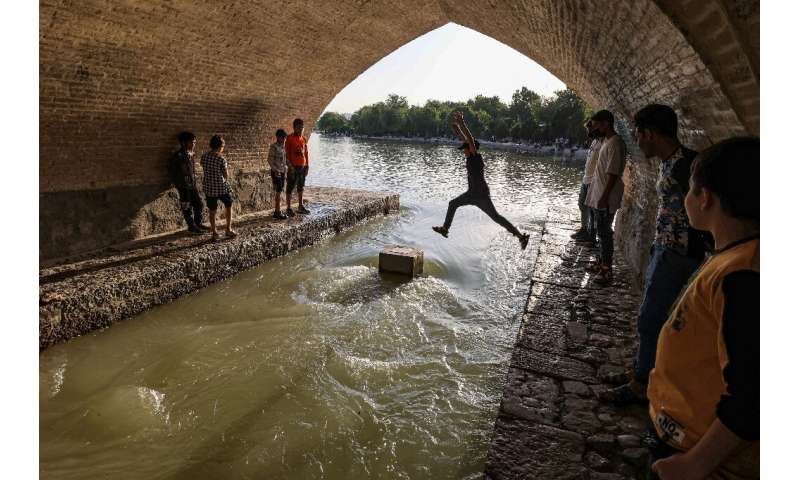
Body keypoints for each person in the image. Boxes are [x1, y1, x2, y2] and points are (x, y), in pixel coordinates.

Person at [646, 136, 759, 480]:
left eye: (690, 191)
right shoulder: (734, 255)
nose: (686, 199)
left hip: (702, 454)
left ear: (705, 197)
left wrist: (696, 463)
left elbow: (754, 392)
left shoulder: (741, 276)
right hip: (683, 434)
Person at [601, 104, 711, 405]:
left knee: (651, 318)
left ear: (650, 133)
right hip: (664, 249)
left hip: (680, 254)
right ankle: (642, 369)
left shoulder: (687, 165)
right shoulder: (667, 162)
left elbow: (707, 211)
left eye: (638, 133)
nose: (636, 139)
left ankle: (640, 385)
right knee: (649, 315)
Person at [432, 111, 530, 250]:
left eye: (465, 149)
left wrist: (462, 123)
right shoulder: (470, 157)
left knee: (497, 218)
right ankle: (445, 229)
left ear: (471, 149)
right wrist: (457, 130)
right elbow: (465, 140)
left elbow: (470, 140)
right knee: (452, 204)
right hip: (471, 194)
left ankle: (521, 237)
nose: (463, 151)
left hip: (481, 195)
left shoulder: (475, 158)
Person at [584, 110, 627, 285]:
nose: (594, 128)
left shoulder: (616, 143)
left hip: (606, 197)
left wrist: (604, 197)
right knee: (600, 231)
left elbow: (613, 174)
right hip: (600, 195)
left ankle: (607, 270)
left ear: (606, 124)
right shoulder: (607, 142)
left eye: (596, 124)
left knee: (604, 232)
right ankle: (601, 262)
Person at [168, 131, 207, 234]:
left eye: (194, 142)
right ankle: (191, 227)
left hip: (192, 185)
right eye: (192, 142)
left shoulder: (190, 154)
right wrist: (177, 183)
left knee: (199, 204)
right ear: (184, 143)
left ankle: (197, 223)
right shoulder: (178, 156)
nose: (194, 144)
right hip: (183, 186)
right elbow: (172, 171)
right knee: (187, 207)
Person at [201, 134, 237, 240]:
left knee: (212, 210)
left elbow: (203, 166)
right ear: (220, 146)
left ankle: (214, 233)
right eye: (223, 146)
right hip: (221, 187)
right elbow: (226, 175)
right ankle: (228, 229)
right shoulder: (221, 159)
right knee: (229, 205)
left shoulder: (204, 156)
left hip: (209, 187)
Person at [572, 119, 602, 243]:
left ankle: (591, 234)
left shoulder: (603, 143)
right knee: (581, 204)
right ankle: (584, 229)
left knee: (591, 210)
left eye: (589, 129)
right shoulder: (594, 142)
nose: (588, 132)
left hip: (593, 181)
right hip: (586, 179)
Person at [285, 118, 311, 216]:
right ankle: (288, 208)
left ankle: (300, 206)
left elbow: (306, 154)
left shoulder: (303, 139)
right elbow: (286, 154)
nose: (300, 130)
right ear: (294, 128)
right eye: (299, 128)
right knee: (290, 187)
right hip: (293, 167)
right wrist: (290, 166)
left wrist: (307, 166)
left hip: (302, 167)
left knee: (301, 187)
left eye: (302, 128)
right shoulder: (289, 138)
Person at [267, 129, 289, 220]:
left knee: (280, 190)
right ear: (278, 137)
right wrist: (275, 170)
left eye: (285, 138)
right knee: (278, 191)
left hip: (283, 171)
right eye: (283, 138)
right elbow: (270, 160)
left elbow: (284, 159)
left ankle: (278, 210)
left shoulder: (283, 147)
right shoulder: (274, 147)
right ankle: (277, 212)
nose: (284, 139)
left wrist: (287, 167)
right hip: (276, 172)